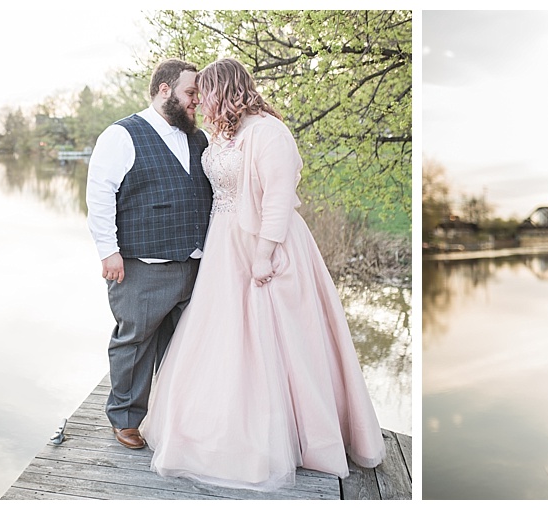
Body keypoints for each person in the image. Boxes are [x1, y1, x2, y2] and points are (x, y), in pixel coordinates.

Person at [138, 58, 385, 491]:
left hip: (266, 248)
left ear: (226, 90)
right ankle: (218, 428)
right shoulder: (225, 134)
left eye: (205, 92)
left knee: (278, 340)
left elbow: (278, 198)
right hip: (223, 246)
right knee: (224, 336)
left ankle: (297, 436)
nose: (200, 101)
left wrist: (264, 255)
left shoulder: (270, 133)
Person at [84, 58, 211, 451]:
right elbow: (99, 195)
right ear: (164, 90)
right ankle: (125, 418)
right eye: (191, 93)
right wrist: (109, 252)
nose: (197, 102)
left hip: (195, 263)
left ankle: (173, 418)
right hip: (142, 266)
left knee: (184, 346)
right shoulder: (121, 135)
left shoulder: (199, 138)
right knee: (134, 343)